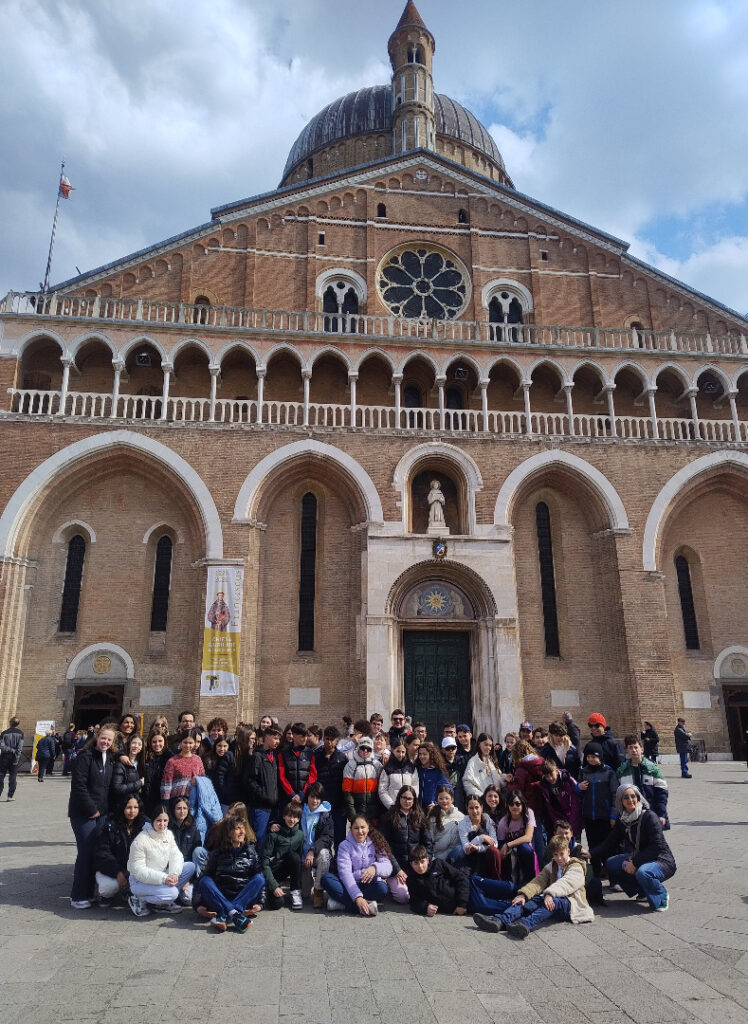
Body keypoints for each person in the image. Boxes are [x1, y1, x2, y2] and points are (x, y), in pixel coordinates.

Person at [473, 834, 594, 937]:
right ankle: (500, 920)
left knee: (554, 901)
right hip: (551, 898)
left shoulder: (576, 867)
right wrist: (524, 895)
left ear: (568, 851)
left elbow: (565, 883)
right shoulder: (552, 865)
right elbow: (538, 881)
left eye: (562, 854)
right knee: (526, 901)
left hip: (572, 904)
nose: (559, 858)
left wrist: (549, 894)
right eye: (556, 854)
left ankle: (524, 924)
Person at [589, 784, 676, 911]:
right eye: (626, 797)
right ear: (620, 801)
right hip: (640, 857)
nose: (630, 800)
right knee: (612, 863)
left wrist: (635, 862)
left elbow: (657, 847)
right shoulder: (623, 820)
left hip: (661, 860)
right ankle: (643, 891)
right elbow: (610, 843)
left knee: (643, 872)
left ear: (638, 797)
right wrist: (591, 853)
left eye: (633, 796)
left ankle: (661, 893)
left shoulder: (649, 816)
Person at [68, 723, 118, 909]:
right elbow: (78, 786)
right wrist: (91, 809)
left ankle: (90, 893)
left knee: (96, 852)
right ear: (97, 737)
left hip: (102, 814)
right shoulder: (85, 756)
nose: (105, 742)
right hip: (83, 813)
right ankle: (78, 895)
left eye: (109, 739)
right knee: (85, 852)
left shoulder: (110, 758)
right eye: (103, 738)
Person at [126, 804, 196, 916]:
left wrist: (174, 874)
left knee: (190, 866)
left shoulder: (167, 834)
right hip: (140, 881)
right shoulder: (141, 840)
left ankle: (162, 903)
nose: (162, 824)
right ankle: (139, 899)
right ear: (153, 820)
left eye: (165, 820)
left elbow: (176, 855)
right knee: (172, 893)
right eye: (159, 820)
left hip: (160, 876)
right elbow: (139, 871)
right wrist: (164, 878)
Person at [199, 815, 265, 932]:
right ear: (228, 832)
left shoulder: (251, 852)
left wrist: (260, 904)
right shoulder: (216, 853)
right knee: (205, 881)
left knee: (259, 879)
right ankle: (236, 915)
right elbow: (201, 879)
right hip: (220, 898)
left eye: (243, 828)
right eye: (237, 828)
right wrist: (198, 905)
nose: (242, 832)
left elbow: (260, 883)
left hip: (243, 899)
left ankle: (224, 915)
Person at [321, 815, 392, 915]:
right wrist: (357, 897)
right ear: (351, 829)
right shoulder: (344, 845)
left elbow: (388, 867)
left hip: (369, 884)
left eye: (363, 827)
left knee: (382, 888)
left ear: (368, 828)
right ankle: (364, 906)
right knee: (326, 878)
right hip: (349, 884)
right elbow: (345, 874)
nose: (360, 831)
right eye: (356, 828)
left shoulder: (376, 842)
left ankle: (342, 904)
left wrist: (375, 868)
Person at [380, 785, 432, 903]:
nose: (406, 801)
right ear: (399, 798)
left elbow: (428, 843)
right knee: (403, 897)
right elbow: (384, 845)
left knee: (427, 892)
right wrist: (397, 869)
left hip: (416, 865)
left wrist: (424, 864)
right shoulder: (390, 816)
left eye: (410, 798)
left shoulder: (420, 816)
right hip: (396, 866)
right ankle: (390, 883)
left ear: (414, 800)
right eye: (404, 797)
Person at [93, 794, 148, 906]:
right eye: (128, 807)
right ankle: (105, 897)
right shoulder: (110, 826)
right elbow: (103, 853)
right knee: (108, 887)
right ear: (122, 808)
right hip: (114, 869)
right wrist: (117, 872)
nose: (132, 811)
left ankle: (129, 892)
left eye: (135, 807)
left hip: (136, 870)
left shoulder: (146, 826)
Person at [577, 742, 617, 877]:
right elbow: (578, 793)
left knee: (607, 846)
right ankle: (595, 874)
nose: (590, 759)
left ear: (600, 757)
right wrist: (578, 787)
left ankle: (612, 875)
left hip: (604, 816)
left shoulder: (609, 772)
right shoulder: (583, 772)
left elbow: (615, 795)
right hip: (589, 816)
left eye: (593, 757)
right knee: (592, 845)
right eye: (588, 757)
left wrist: (613, 815)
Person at [617, 735, 669, 827]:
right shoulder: (622, 771)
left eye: (636, 747)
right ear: (627, 751)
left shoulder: (652, 769)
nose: (634, 750)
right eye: (630, 748)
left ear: (642, 749)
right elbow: (618, 796)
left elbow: (662, 793)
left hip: (651, 812)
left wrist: (661, 814)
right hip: (631, 816)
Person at [406, 844, 469, 917]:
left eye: (422, 861)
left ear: (427, 860)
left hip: (467, 895)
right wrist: (426, 908)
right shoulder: (411, 880)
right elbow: (414, 901)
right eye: (416, 863)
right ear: (411, 864)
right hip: (452, 910)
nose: (420, 866)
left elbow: (461, 878)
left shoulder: (438, 864)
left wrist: (462, 904)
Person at [262, 802, 304, 909]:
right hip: (273, 872)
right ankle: (267, 889)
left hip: (285, 869)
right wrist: (274, 886)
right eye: (289, 816)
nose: (292, 820)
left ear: (299, 819)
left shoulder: (300, 835)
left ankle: (295, 892)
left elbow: (297, 861)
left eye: (295, 817)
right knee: (277, 904)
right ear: (284, 816)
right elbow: (264, 863)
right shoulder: (273, 835)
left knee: (295, 858)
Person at [243, 725, 281, 845]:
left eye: (279, 739)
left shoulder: (274, 756)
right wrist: (264, 795)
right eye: (275, 738)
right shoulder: (257, 756)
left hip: (273, 807)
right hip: (260, 807)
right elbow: (250, 781)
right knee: (258, 838)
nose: (278, 742)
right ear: (266, 737)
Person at [300, 782, 334, 907]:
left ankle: (318, 890)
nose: (315, 801)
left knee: (325, 855)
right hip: (302, 854)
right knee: (305, 895)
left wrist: (312, 850)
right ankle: (305, 883)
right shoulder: (299, 811)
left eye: (318, 798)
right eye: (312, 797)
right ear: (307, 797)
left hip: (316, 852)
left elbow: (327, 838)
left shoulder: (326, 814)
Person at [314, 726, 348, 848]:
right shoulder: (316, 756)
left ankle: (339, 859)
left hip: (338, 805)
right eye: (327, 739)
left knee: (340, 838)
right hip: (321, 804)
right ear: (323, 739)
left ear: (337, 740)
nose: (329, 742)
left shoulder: (342, 758)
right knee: (322, 836)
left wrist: (345, 804)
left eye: (332, 739)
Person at [495, 790, 537, 888]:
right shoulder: (503, 823)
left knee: (525, 849)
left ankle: (530, 882)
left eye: (518, 804)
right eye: (511, 804)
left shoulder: (528, 813)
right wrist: (506, 848)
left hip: (524, 848)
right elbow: (501, 845)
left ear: (522, 804)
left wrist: (508, 844)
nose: (514, 806)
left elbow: (528, 837)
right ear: (507, 805)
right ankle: (510, 885)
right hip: (510, 851)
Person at [537, 760, 583, 839]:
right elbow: (550, 808)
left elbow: (575, 803)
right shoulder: (544, 785)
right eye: (547, 776)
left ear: (556, 770)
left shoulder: (567, 780)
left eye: (552, 775)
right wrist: (557, 824)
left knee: (573, 841)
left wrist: (572, 825)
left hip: (572, 816)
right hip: (559, 819)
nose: (550, 778)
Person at [342, 735, 383, 823]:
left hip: (375, 812)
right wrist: (352, 815)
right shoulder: (350, 765)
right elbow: (347, 792)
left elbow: (382, 789)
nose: (365, 751)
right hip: (358, 811)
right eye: (363, 748)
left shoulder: (377, 765)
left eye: (368, 749)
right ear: (358, 748)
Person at [170, 796, 208, 889]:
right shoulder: (167, 827)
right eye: (179, 808)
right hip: (170, 869)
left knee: (188, 895)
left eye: (184, 808)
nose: (182, 811)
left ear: (188, 810)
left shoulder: (193, 829)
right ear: (173, 810)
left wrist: (189, 881)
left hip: (187, 871)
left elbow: (196, 859)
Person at [457, 794, 500, 877]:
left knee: (494, 851)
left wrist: (479, 848)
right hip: (471, 859)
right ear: (467, 809)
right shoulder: (462, 824)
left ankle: (497, 879)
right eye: (471, 808)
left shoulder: (488, 820)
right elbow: (466, 849)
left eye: (477, 807)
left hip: (487, 856)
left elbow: (495, 844)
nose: (474, 811)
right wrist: (481, 838)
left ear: (481, 807)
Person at [160, 728, 205, 802]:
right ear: (180, 742)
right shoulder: (172, 761)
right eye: (185, 742)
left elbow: (203, 777)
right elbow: (166, 783)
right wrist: (165, 802)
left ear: (194, 743)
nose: (187, 745)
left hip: (194, 799)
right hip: (176, 800)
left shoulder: (198, 759)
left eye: (190, 743)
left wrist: (198, 780)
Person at [279, 722, 317, 804]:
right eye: (302, 737)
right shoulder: (283, 753)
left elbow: (313, 775)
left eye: (306, 736)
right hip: (287, 798)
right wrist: (291, 794)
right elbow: (282, 776)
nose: (305, 739)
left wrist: (302, 794)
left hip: (305, 798)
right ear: (294, 735)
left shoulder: (310, 753)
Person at [427, 785, 465, 864]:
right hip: (438, 856)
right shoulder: (432, 816)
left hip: (455, 855)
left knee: (460, 849)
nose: (444, 801)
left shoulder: (460, 816)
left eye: (447, 798)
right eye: (441, 798)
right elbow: (428, 840)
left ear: (452, 799)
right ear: (437, 800)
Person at [378, 738, 419, 810]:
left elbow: (415, 786)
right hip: (392, 808)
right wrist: (391, 805)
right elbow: (382, 790)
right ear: (393, 750)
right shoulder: (387, 768)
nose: (401, 754)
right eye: (398, 751)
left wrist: (410, 802)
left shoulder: (411, 767)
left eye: (403, 752)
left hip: (408, 807)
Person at [462, 733, 504, 798]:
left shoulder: (492, 761)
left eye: (490, 745)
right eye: (486, 745)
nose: (488, 748)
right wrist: (481, 796)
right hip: (482, 800)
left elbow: (499, 779)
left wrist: (505, 778)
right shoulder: (473, 762)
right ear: (479, 744)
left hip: (495, 799)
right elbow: (467, 782)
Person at [415, 741, 452, 811]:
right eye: (420, 754)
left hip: (431, 810)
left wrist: (437, 803)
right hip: (418, 809)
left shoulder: (438, 772)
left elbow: (448, 790)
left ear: (431, 755)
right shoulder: (417, 769)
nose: (422, 756)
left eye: (424, 754)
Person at [142, 730, 170, 815]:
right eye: (154, 742)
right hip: (147, 798)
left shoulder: (170, 757)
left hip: (164, 798)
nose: (157, 744)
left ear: (164, 742)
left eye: (160, 741)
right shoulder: (145, 756)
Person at [208, 736, 240, 811]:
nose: (222, 749)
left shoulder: (231, 758)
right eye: (219, 746)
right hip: (212, 797)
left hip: (226, 798)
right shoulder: (209, 759)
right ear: (215, 746)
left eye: (225, 746)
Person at [112, 733, 145, 804]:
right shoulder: (121, 763)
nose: (136, 746)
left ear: (142, 748)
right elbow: (117, 788)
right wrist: (139, 783)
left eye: (139, 744)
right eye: (134, 743)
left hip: (135, 802)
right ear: (129, 744)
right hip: (123, 803)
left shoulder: (140, 764)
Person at [0, 716, 24, 801]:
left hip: (4, 757)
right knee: (13, 776)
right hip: (14, 757)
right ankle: (10, 796)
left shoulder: (4, 733)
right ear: (18, 724)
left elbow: (2, 746)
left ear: (10, 723)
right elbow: (20, 748)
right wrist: (16, 758)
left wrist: (10, 749)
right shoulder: (21, 733)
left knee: (1, 775)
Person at [440, 735, 467, 811]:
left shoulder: (462, 761)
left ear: (456, 748)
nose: (451, 750)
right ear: (443, 750)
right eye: (448, 748)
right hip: (445, 797)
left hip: (460, 797)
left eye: (453, 748)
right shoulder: (440, 764)